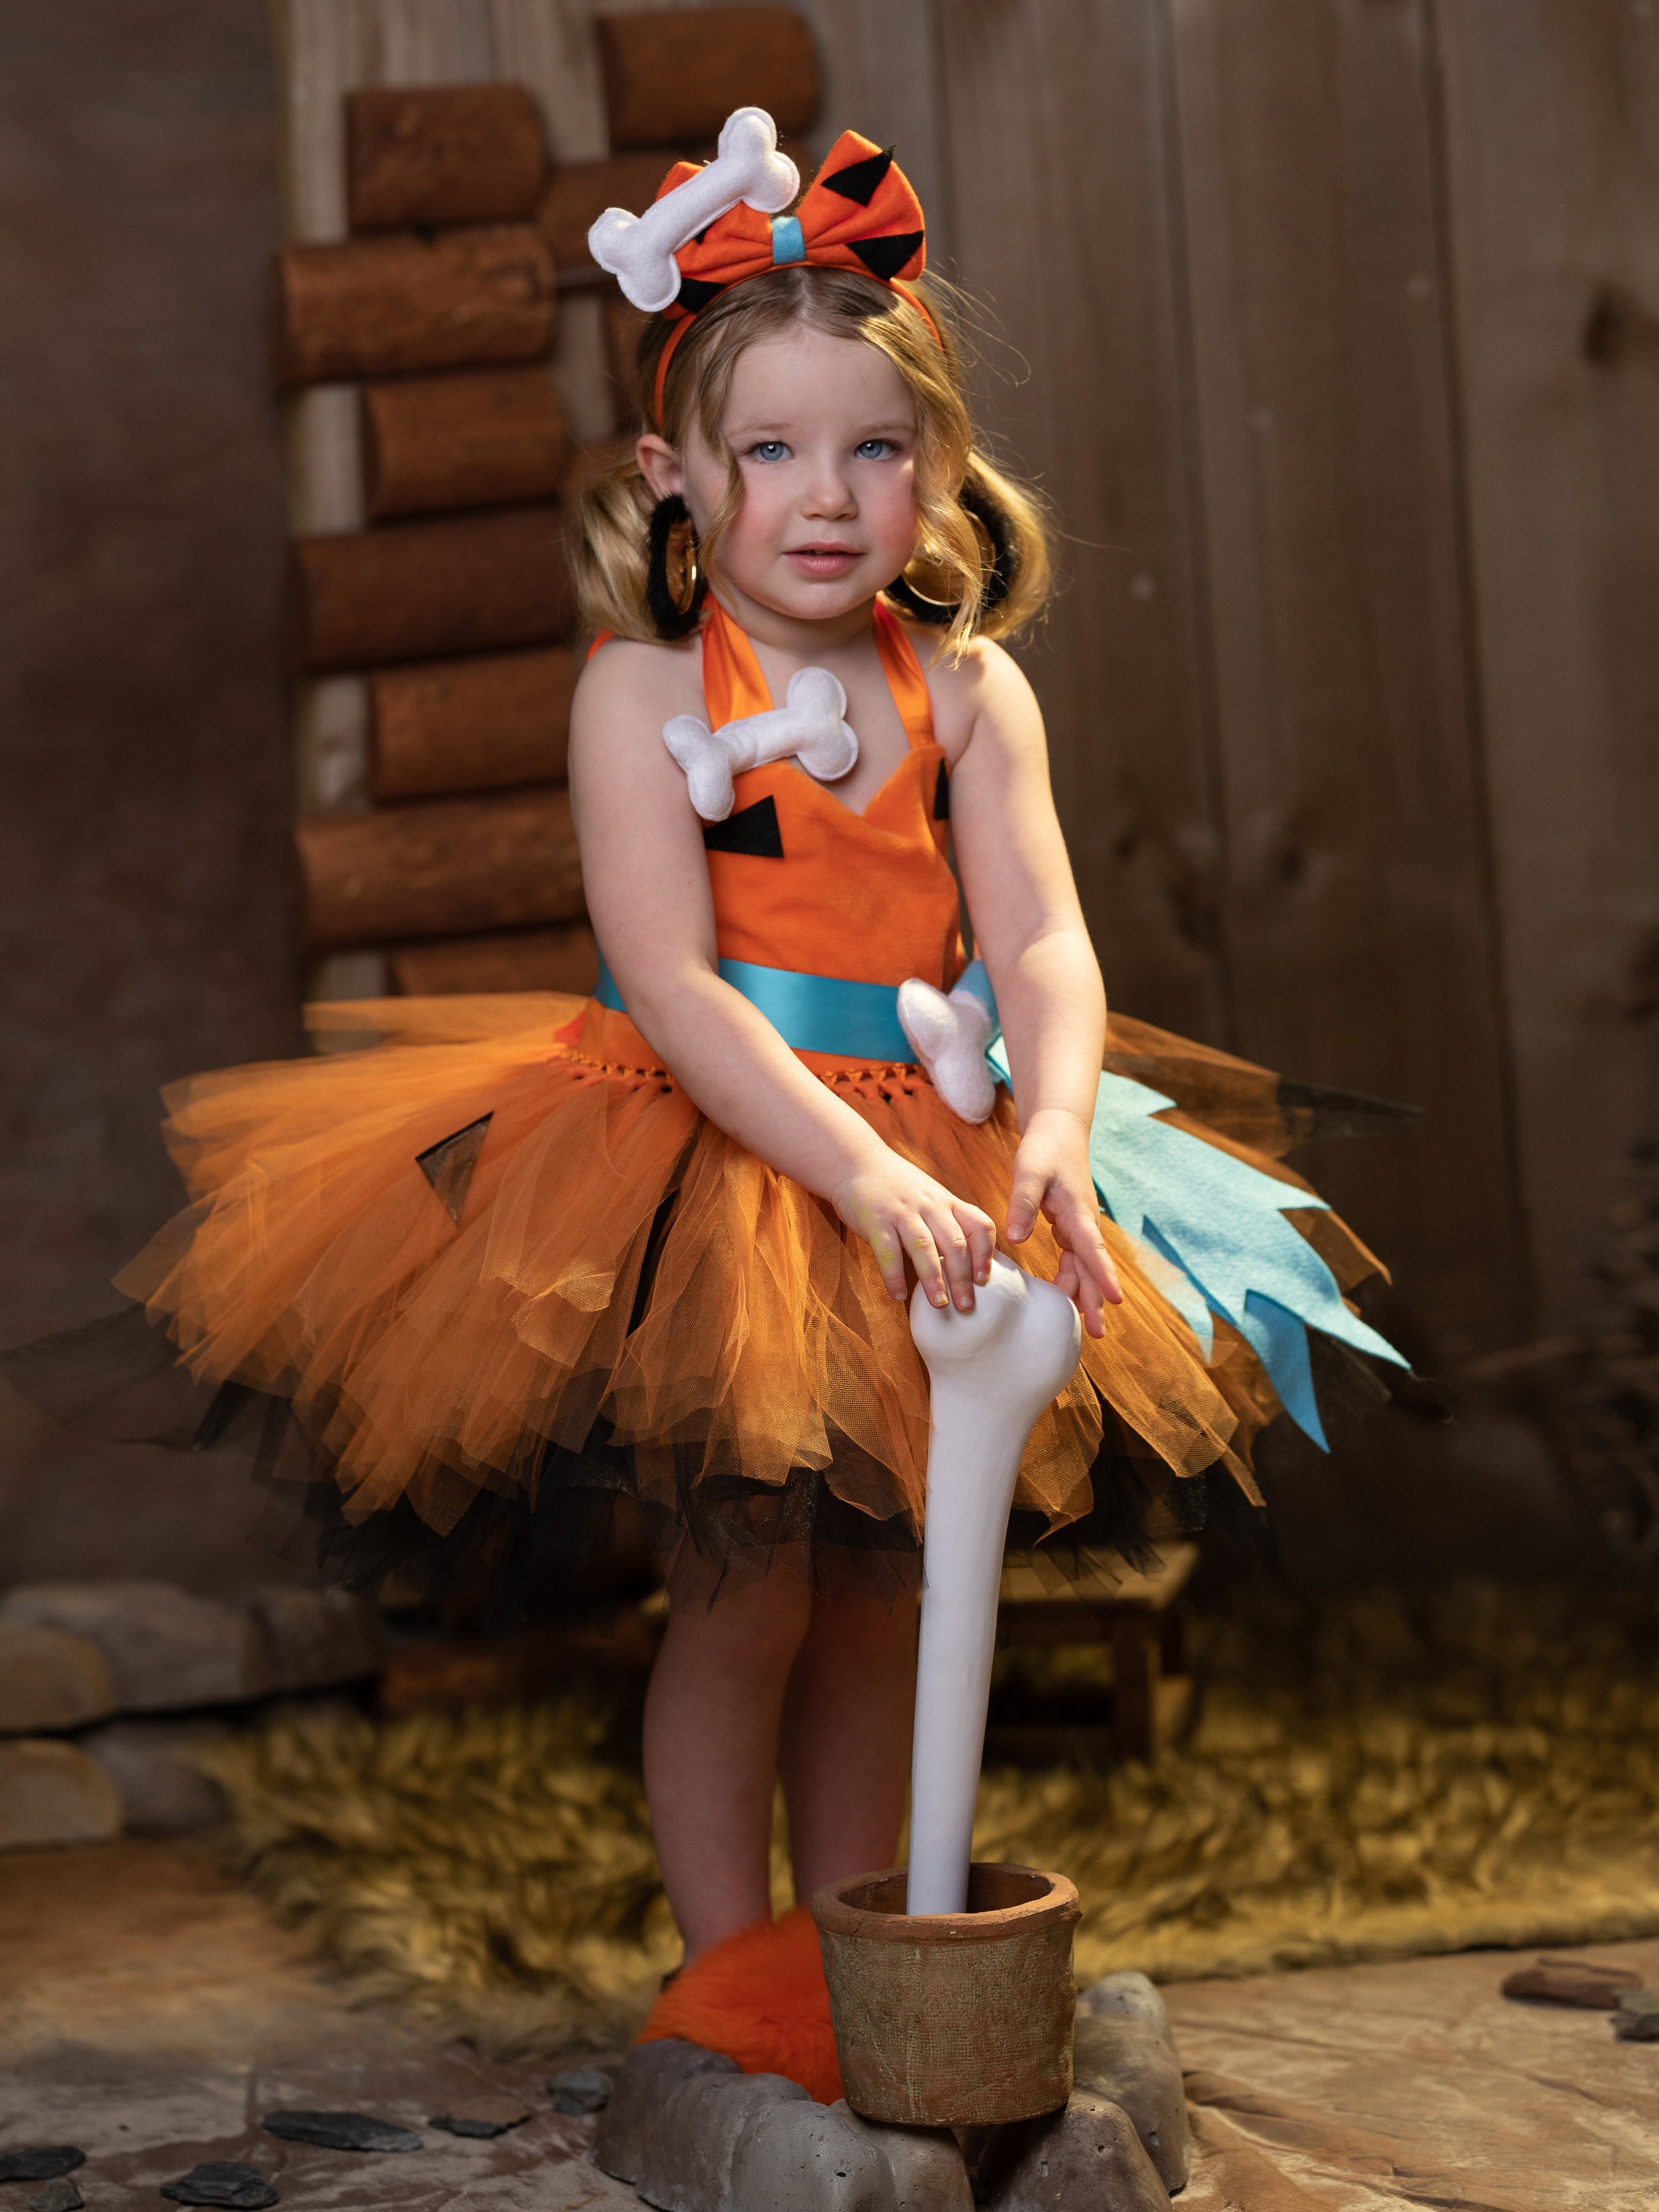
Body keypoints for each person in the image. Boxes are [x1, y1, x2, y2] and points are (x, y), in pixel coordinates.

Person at [93, 112, 1405, 2090]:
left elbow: (1044, 937)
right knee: (741, 1593)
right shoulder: (641, 691)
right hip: (726, 1155)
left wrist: (1051, 1125)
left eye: (874, 449)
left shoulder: (968, 689)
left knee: (884, 1590)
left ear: (937, 471)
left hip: (940, 1140)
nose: (824, 493)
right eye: (771, 449)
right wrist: (859, 1170)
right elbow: (678, 983)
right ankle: (728, 1977)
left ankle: (863, 1950)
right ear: (677, 478)